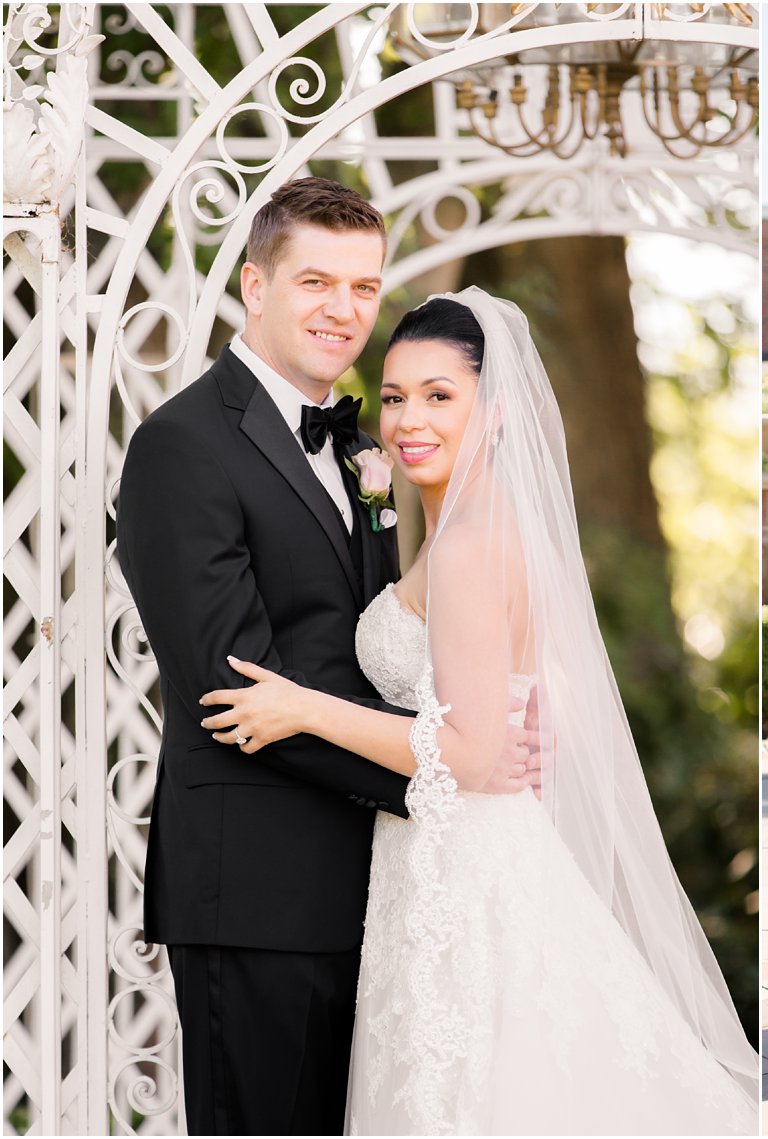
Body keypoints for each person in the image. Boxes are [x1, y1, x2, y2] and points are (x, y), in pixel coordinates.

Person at [197, 289, 759, 1133]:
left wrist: (303, 707)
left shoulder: (466, 546)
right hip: (463, 851)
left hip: (464, 870)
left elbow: (463, 750)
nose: (406, 419)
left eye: (438, 395)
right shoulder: (475, 528)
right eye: (393, 397)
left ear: (493, 414)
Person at [116, 178, 535, 1136]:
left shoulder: (364, 445)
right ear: (255, 288)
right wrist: (455, 764)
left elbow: (388, 648)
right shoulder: (182, 446)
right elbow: (238, 691)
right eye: (316, 282)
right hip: (258, 891)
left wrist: (476, 729)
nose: (343, 310)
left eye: (362, 286)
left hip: (388, 892)